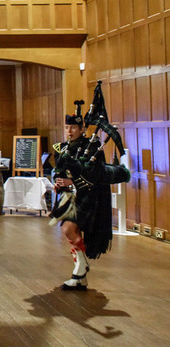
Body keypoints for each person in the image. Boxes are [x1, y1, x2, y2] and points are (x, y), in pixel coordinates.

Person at [50, 100, 130, 290]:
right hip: (71, 197)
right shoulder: (63, 148)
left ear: (82, 129)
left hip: (91, 197)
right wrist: (58, 184)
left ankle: (81, 265)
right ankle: (80, 276)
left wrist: (72, 182)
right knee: (72, 232)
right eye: (67, 127)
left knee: (68, 229)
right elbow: (60, 171)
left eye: (73, 128)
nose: (69, 131)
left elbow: (95, 174)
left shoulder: (92, 147)